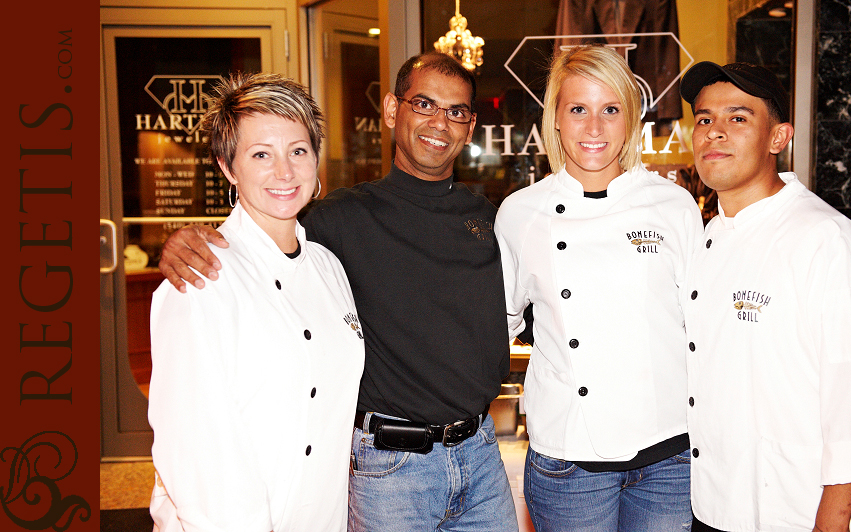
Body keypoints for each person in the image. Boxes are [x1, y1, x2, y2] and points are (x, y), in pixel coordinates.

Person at [157, 52, 518, 532]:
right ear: (392, 111)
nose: (440, 122)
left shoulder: (490, 220)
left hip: (480, 457)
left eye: (456, 112)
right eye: (425, 104)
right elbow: (259, 233)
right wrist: (186, 239)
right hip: (391, 470)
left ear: (470, 127)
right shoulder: (338, 220)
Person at [679, 60, 851, 532]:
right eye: (704, 119)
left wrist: (831, 525)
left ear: (778, 138)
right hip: (713, 509)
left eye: (738, 118)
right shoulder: (706, 238)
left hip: (800, 515)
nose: (715, 132)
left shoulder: (826, 239)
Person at [495, 44, 702, 531]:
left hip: (669, 456)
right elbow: (497, 326)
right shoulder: (521, 213)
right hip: (570, 462)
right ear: (557, 119)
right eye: (578, 110)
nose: (594, 128)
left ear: (629, 119)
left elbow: (701, 328)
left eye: (610, 110)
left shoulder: (673, 206)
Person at [147, 73, 365, 531]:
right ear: (228, 167)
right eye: (261, 154)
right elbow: (195, 448)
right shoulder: (201, 275)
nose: (284, 172)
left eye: (298, 151)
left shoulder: (329, 267)